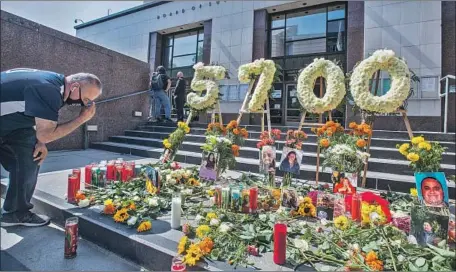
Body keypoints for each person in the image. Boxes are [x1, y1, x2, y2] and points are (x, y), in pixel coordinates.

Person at [1, 68, 102, 227]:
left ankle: (15, 213)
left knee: (30, 156)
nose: (84, 104)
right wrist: (82, 118)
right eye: (86, 99)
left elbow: (36, 116)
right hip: (7, 125)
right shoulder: (49, 91)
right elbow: (46, 134)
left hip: (13, 125)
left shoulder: (54, 82)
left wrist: (40, 142)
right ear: (75, 87)